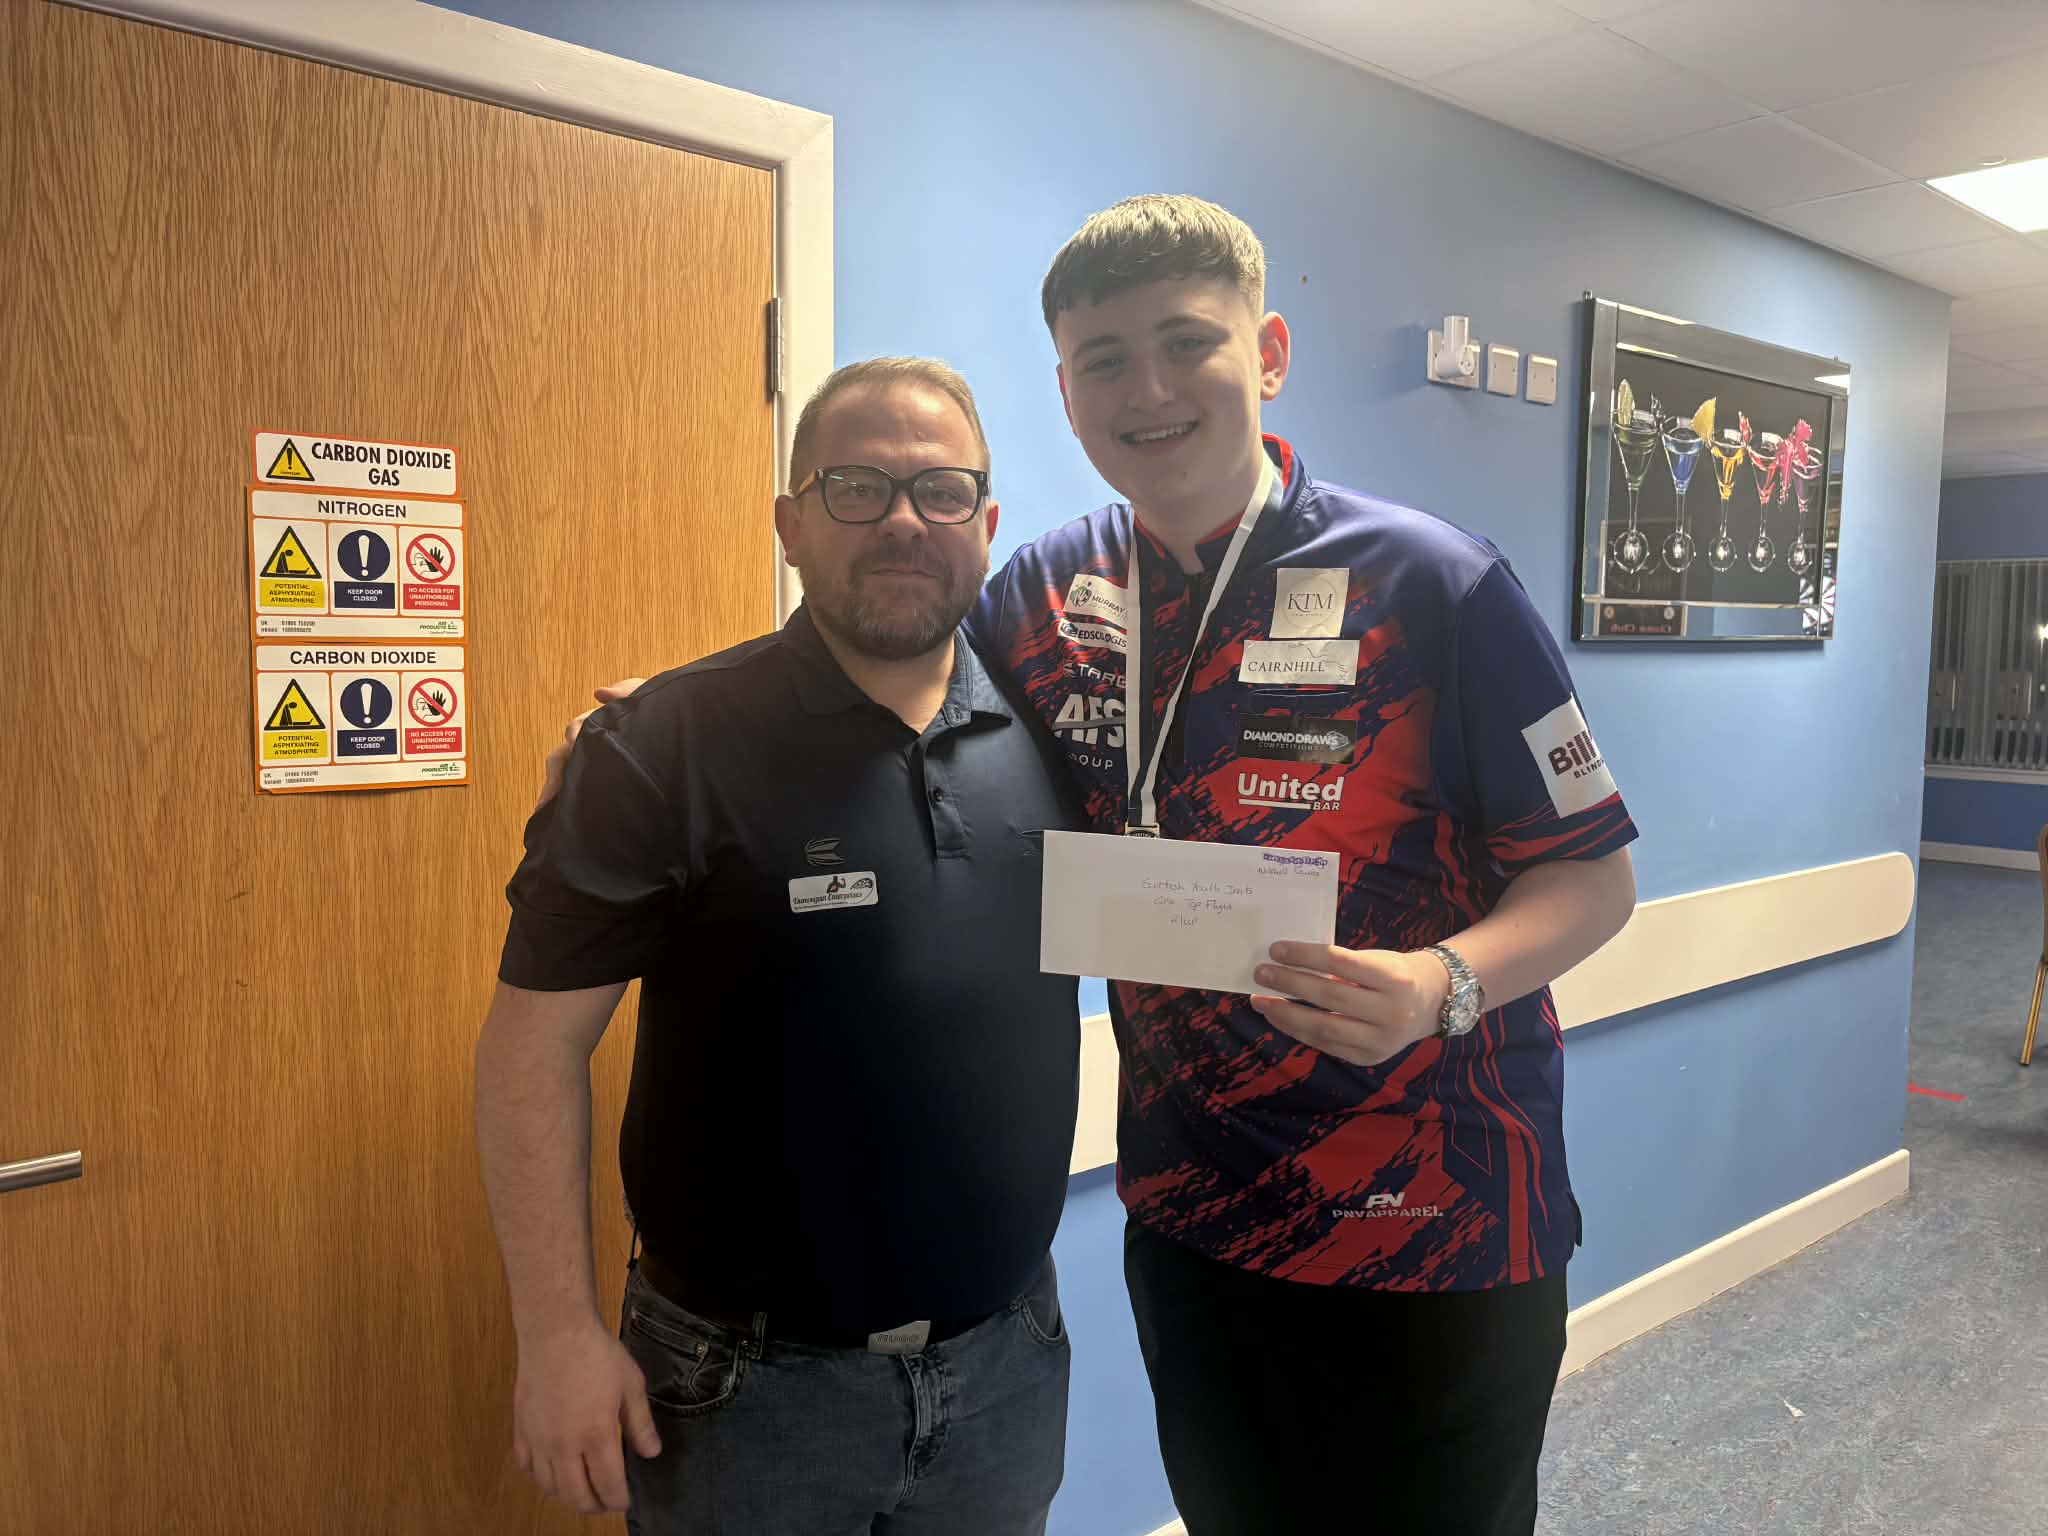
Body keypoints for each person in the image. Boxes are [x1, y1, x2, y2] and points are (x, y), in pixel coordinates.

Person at [548, 195, 1638, 1536]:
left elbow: (1594, 881)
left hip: (1431, 1219)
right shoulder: (1043, 597)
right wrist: (659, 718)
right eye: (1105, 359)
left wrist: (1437, 985)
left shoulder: (1432, 585)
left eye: (1188, 342)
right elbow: (885, 668)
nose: (1149, 389)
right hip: (1195, 1218)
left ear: (1269, 352)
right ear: (1066, 393)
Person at [476, 357, 1083, 1535]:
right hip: (739, 1398)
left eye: (941, 490)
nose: (903, 520)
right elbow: (527, 1055)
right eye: (855, 487)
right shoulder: (660, 747)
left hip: (1007, 1374)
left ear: (985, 522)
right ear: (790, 523)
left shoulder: (1061, 734)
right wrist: (554, 1334)